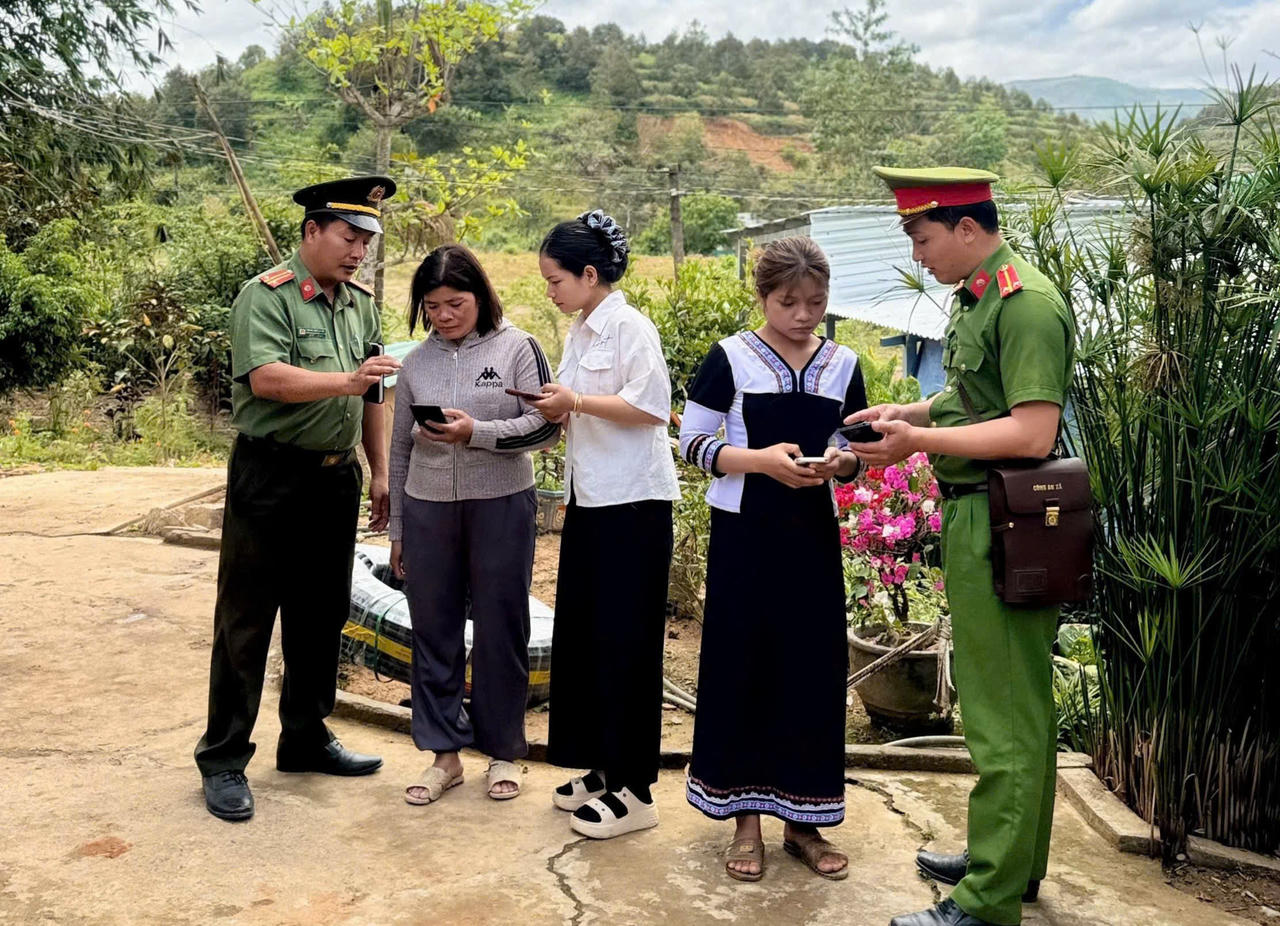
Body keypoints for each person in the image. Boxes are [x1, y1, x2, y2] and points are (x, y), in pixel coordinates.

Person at [846, 167, 1075, 926]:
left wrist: (920, 441)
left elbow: (1032, 431)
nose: (918, 254)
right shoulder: (978, 299)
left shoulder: (1026, 303)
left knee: (1001, 712)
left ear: (967, 229)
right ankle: (1008, 864)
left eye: (923, 237)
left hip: (1009, 521)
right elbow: (981, 399)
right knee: (1012, 703)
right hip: (983, 515)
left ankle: (986, 904)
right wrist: (908, 410)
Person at [195, 176, 404, 822]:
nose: (358, 252)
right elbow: (268, 380)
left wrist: (377, 470)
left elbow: (372, 392)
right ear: (311, 231)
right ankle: (225, 758)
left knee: (321, 614)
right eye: (348, 237)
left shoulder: (360, 305)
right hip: (271, 475)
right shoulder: (266, 297)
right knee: (247, 618)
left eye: (366, 241)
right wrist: (346, 379)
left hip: (333, 479)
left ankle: (305, 736)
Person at [679, 236, 866, 883]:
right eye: (789, 302)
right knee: (744, 668)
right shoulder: (729, 359)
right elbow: (693, 444)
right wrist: (759, 461)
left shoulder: (843, 365)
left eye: (816, 302)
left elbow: (854, 444)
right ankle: (746, 823)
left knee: (812, 673)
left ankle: (804, 822)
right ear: (763, 297)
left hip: (813, 538)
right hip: (745, 539)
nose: (804, 314)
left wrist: (842, 461)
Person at [387, 244, 560, 806]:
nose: (443, 315)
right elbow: (398, 448)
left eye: (455, 303)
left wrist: (476, 434)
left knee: (500, 626)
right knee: (432, 628)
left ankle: (503, 752)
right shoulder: (415, 364)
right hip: (427, 506)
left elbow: (544, 428)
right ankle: (444, 756)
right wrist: (396, 532)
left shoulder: (518, 348)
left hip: (501, 502)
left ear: (480, 296)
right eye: (432, 306)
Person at [529, 210, 681, 839]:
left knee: (627, 645)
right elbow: (574, 404)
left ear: (590, 275)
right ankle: (602, 767)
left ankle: (637, 790)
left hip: (634, 508)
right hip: (590, 502)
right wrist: (555, 411)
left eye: (556, 280)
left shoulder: (629, 327)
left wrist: (576, 402)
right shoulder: (583, 330)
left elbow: (653, 407)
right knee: (590, 640)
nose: (550, 291)